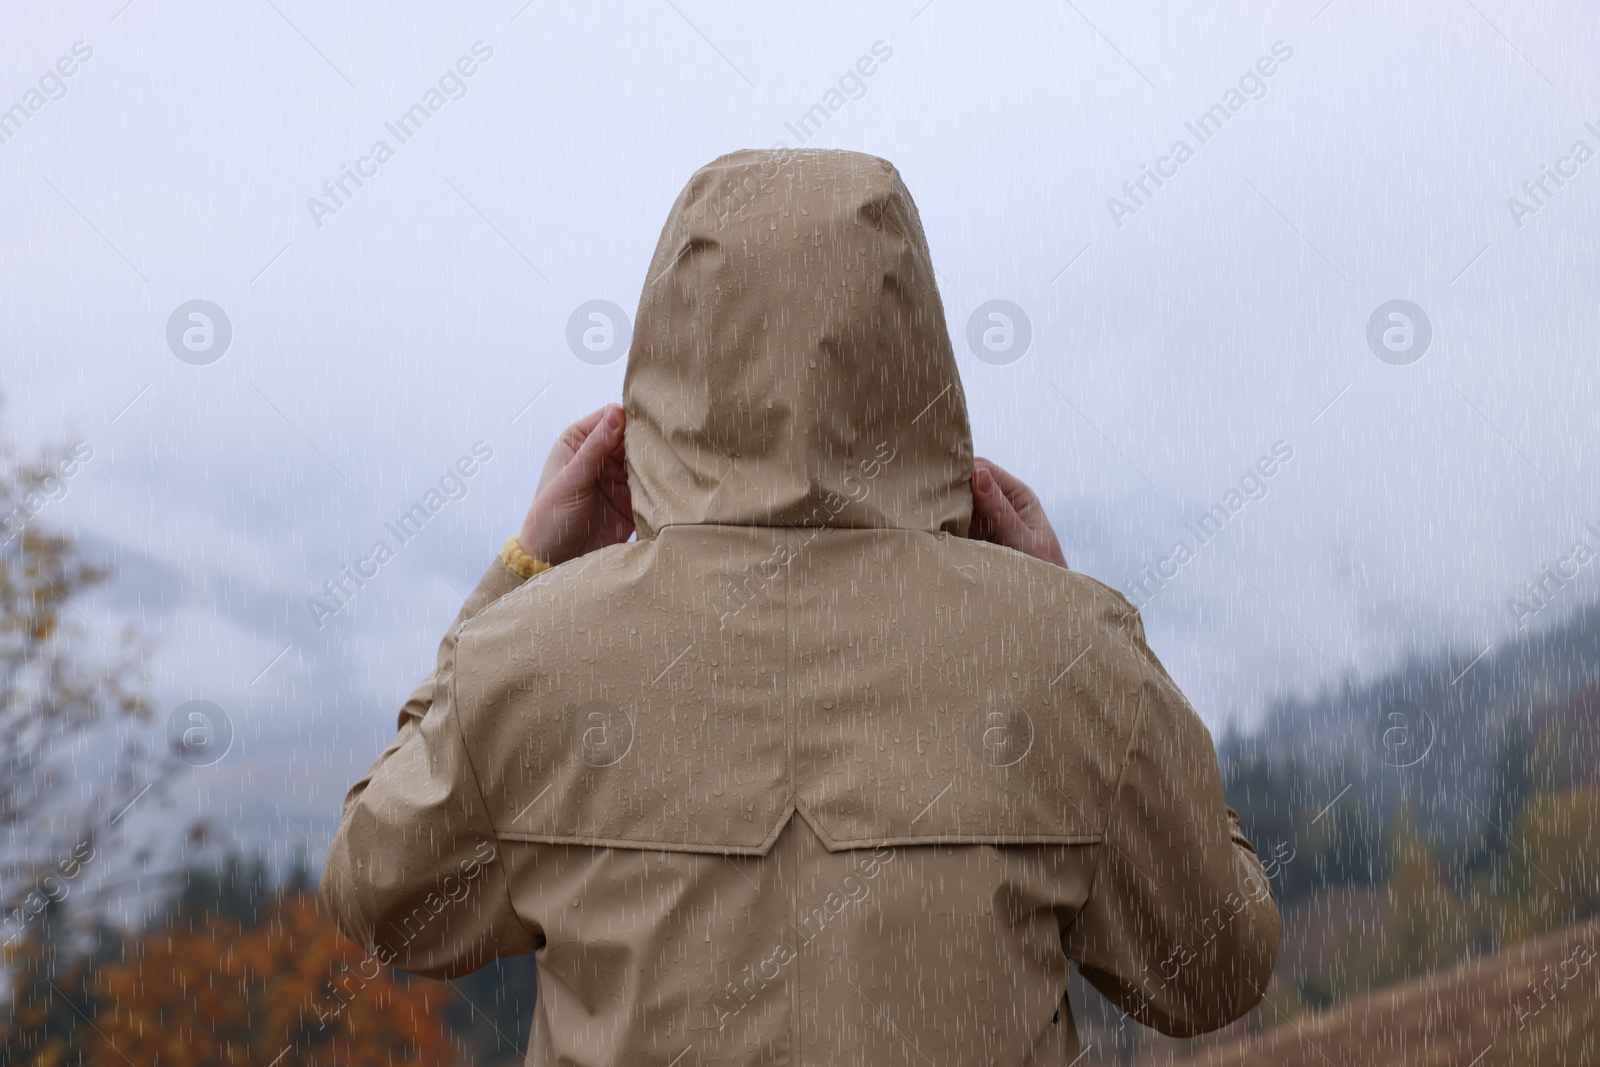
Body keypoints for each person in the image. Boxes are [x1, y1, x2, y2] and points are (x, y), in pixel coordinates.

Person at [320, 149, 1280, 1064]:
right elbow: (1214, 970)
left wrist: (527, 571)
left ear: (668, 345)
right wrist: (1077, 621)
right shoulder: (1064, 651)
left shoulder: (527, 656)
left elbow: (384, 895)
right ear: (916, 342)